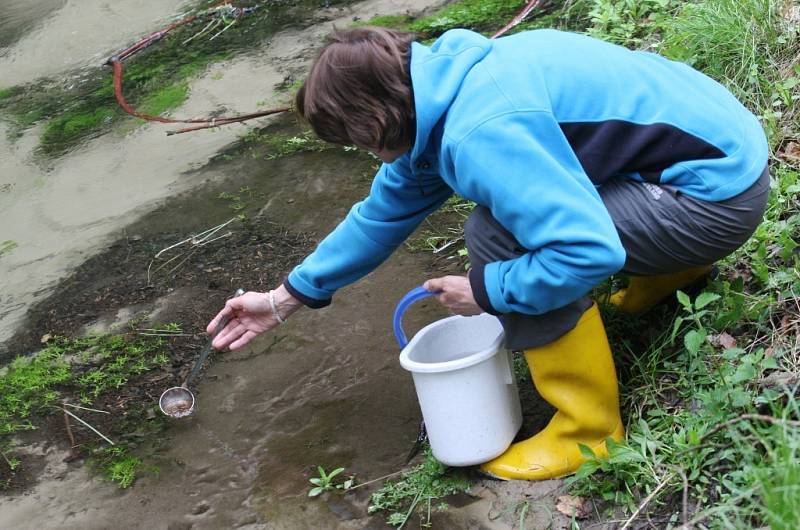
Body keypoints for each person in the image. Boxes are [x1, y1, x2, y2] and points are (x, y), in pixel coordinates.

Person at [207, 26, 769, 480]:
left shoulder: (481, 130)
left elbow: (588, 250)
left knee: (497, 237)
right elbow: (379, 216)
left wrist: (485, 290)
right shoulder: (445, 83)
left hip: (711, 200)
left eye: (364, 143)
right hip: (717, 155)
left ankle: (588, 431)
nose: (374, 159)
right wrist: (284, 299)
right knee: (539, 212)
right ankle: (670, 276)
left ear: (377, 118)